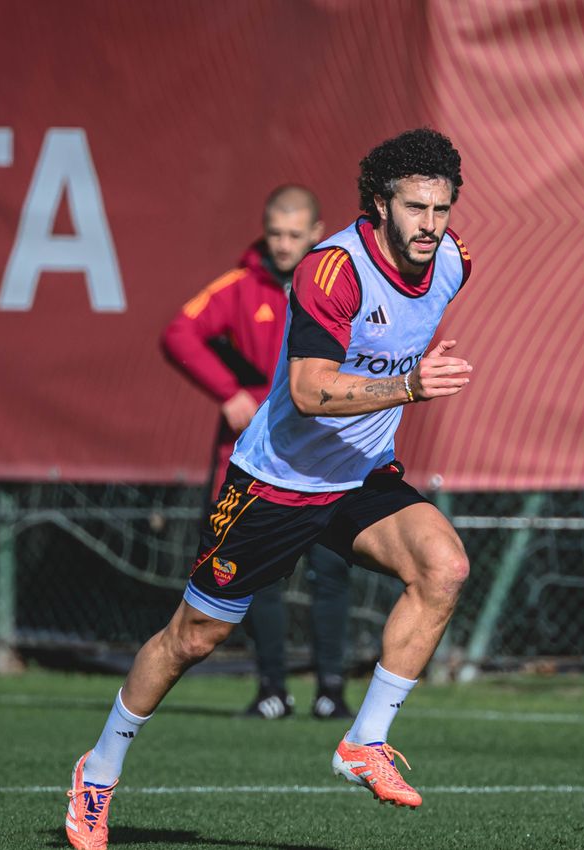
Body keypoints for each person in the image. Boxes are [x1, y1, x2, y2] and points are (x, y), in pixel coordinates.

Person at [65, 127, 473, 849]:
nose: (430, 226)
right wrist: (408, 384)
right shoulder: (329, 272)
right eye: (415, 208)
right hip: (276, 483)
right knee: (196, 637)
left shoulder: (450, 262)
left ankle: (363, 741)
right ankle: (98, 771)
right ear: (378, 204)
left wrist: (405, 379)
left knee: (443, 567)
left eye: (441, 209)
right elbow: (310, 392)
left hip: (358, 478)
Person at [159, 185, 353, 721]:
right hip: (258, 466)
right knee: (253, 576)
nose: (285, 244)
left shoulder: (341, 285)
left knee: (330, 573)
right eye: (276, 233)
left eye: (295, 234)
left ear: (316, 234)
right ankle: (272, 689)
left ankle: (331, 689)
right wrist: (229, 393)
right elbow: (179, 333)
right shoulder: (242, 287)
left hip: (328, 462)